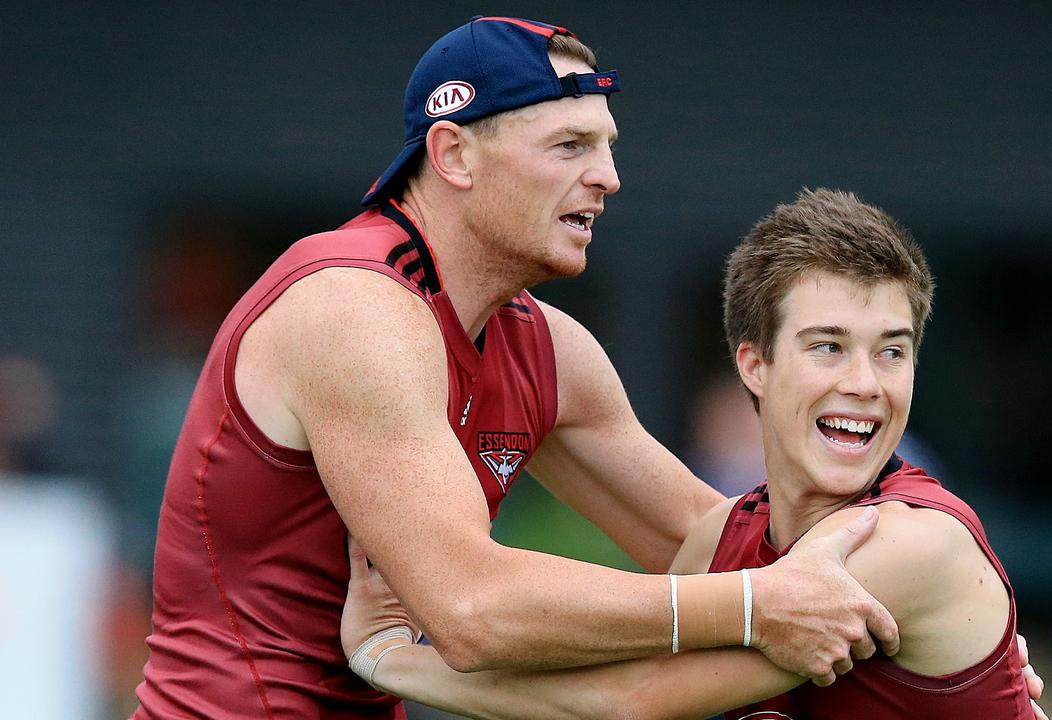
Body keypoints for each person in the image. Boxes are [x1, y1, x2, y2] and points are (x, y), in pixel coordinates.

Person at [132, 17, 904, 719]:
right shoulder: (355, 310)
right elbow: (470, 610)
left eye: (606, 148)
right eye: (569, 146)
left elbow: (727, 549)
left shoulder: (546, 346)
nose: (608, 177)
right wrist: (753, 606)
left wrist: (954, 651)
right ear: (453, 154)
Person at [340, 188, 1048, 720]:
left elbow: (634, 697)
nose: (864, 384)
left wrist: (394, 659)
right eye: (828, 346)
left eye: (891, 351)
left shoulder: (909, 544)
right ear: (755, 366)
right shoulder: (719, 538)